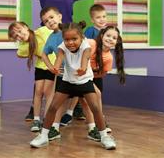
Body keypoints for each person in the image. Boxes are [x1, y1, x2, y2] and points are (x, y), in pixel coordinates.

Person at [12, 0, 102, 119]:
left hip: (68, 35)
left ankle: (77, 105)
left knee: (74, 69)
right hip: (49, 34)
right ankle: (36, 110)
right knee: (45, 73)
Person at [30, 21, 116, 150]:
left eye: (74, 39)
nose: (70, 42)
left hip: (84, 82)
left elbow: (85, 59)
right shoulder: (62, 47)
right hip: (67, 82)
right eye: (67, 39)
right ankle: (43, 136)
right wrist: (55, 68)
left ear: (81, 38)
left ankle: (104, 137)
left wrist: (82, 69)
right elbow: (59, 59)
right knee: (53, 107)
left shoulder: (86, 46)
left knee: (95, 108)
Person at [60, 3, 108, 126]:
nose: (102, 19)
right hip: (87, 66)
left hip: (97, 68)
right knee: (81, 92)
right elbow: (85, 49)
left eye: (104, 16)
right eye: (98, 17)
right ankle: (72, 112)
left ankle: (98, 117)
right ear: (92, 19)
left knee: (96, 93)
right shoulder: (90, 31)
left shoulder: (106, 32)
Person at [8, 21, 57, 131]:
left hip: (52, 66)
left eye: (20, 31)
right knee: (38, 92)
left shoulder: (41, 32)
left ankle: (47, 119)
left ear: (26, 27)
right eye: (16, 36)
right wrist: (28, 47)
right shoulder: (24, 45)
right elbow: (19, 54)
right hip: (40, 67)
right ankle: (36, 120)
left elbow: (54, 32)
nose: (19, 35)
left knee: (48, 92)